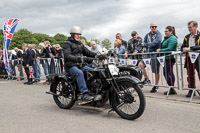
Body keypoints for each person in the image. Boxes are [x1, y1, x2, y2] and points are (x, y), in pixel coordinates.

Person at [62, 26, 98, 101]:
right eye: (77, 34)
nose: (79, 36)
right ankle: (84, 93)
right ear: (72, 34)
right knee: (79, 73)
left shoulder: (80, 44)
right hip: (70, 66)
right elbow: (67, 55)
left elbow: (88, 52)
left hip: (80, 65)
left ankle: (94, 89)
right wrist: (77, 58)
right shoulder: (67, 44)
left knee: (94, 71)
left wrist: (97, 55)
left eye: (79, 34)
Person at [138, 22, 162, 93]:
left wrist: (148, 45)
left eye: (155, 26)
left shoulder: (158, 34)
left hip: (155, 54)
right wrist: (148, 45)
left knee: (155, 71)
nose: (154, 28)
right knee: (140, 65)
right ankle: (147, 79)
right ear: (150, 27)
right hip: (147, 54)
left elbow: (157, 42)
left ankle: (156, 85)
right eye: (152, 27)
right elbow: (143, 43)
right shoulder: (147, 35)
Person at [181, 21, 200, 97]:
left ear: (195, 26)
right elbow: (183, 46)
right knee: (190, 75)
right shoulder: (186, 37)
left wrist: (189, 48)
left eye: (190, 27)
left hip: (198, 58)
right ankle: (191, 90)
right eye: (188, 27)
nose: (189, 29)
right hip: (189, 58)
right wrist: (183, 49)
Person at [157, 26, 178, 95]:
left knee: (168, 73)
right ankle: (171, 87)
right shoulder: (167, 38)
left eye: (166, 31)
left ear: (171, 32)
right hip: (165, 58)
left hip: (169, 58)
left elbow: (170, 48)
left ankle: (171, 88)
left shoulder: (173, 38)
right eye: (165, 31)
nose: (165, 32)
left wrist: (160, 50)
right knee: (167, 73)